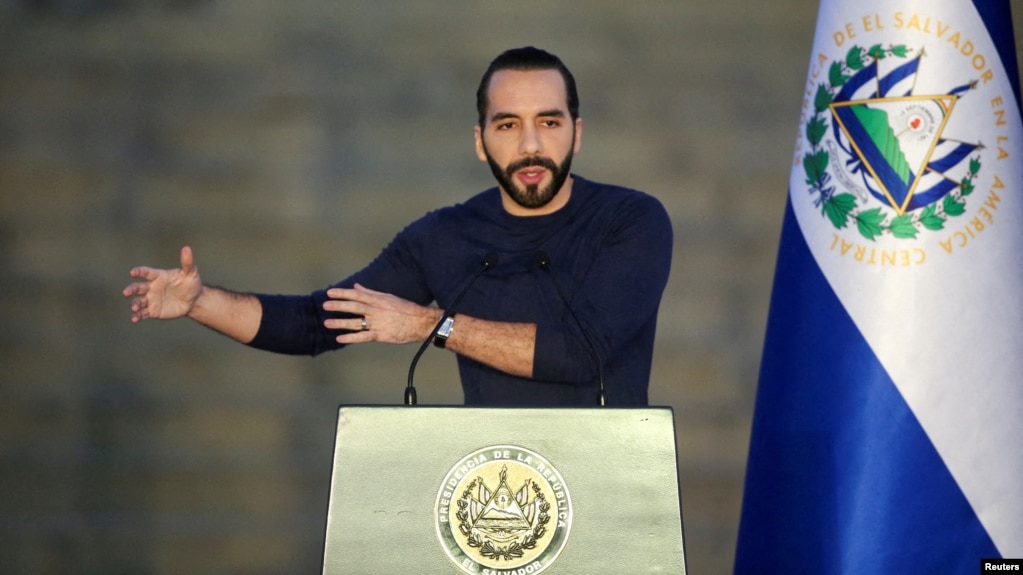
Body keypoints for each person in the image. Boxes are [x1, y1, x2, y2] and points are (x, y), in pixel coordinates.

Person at [122, 46, 673, 406]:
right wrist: (199, 302)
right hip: (491, 491)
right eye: (508, 125)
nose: (530, 145)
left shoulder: (631, 221)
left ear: (577, 133)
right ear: (481, 142)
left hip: (608, 487)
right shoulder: (446, 237)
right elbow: (317, 323)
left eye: (548, 122)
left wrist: (431, 326)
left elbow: (581, 352)